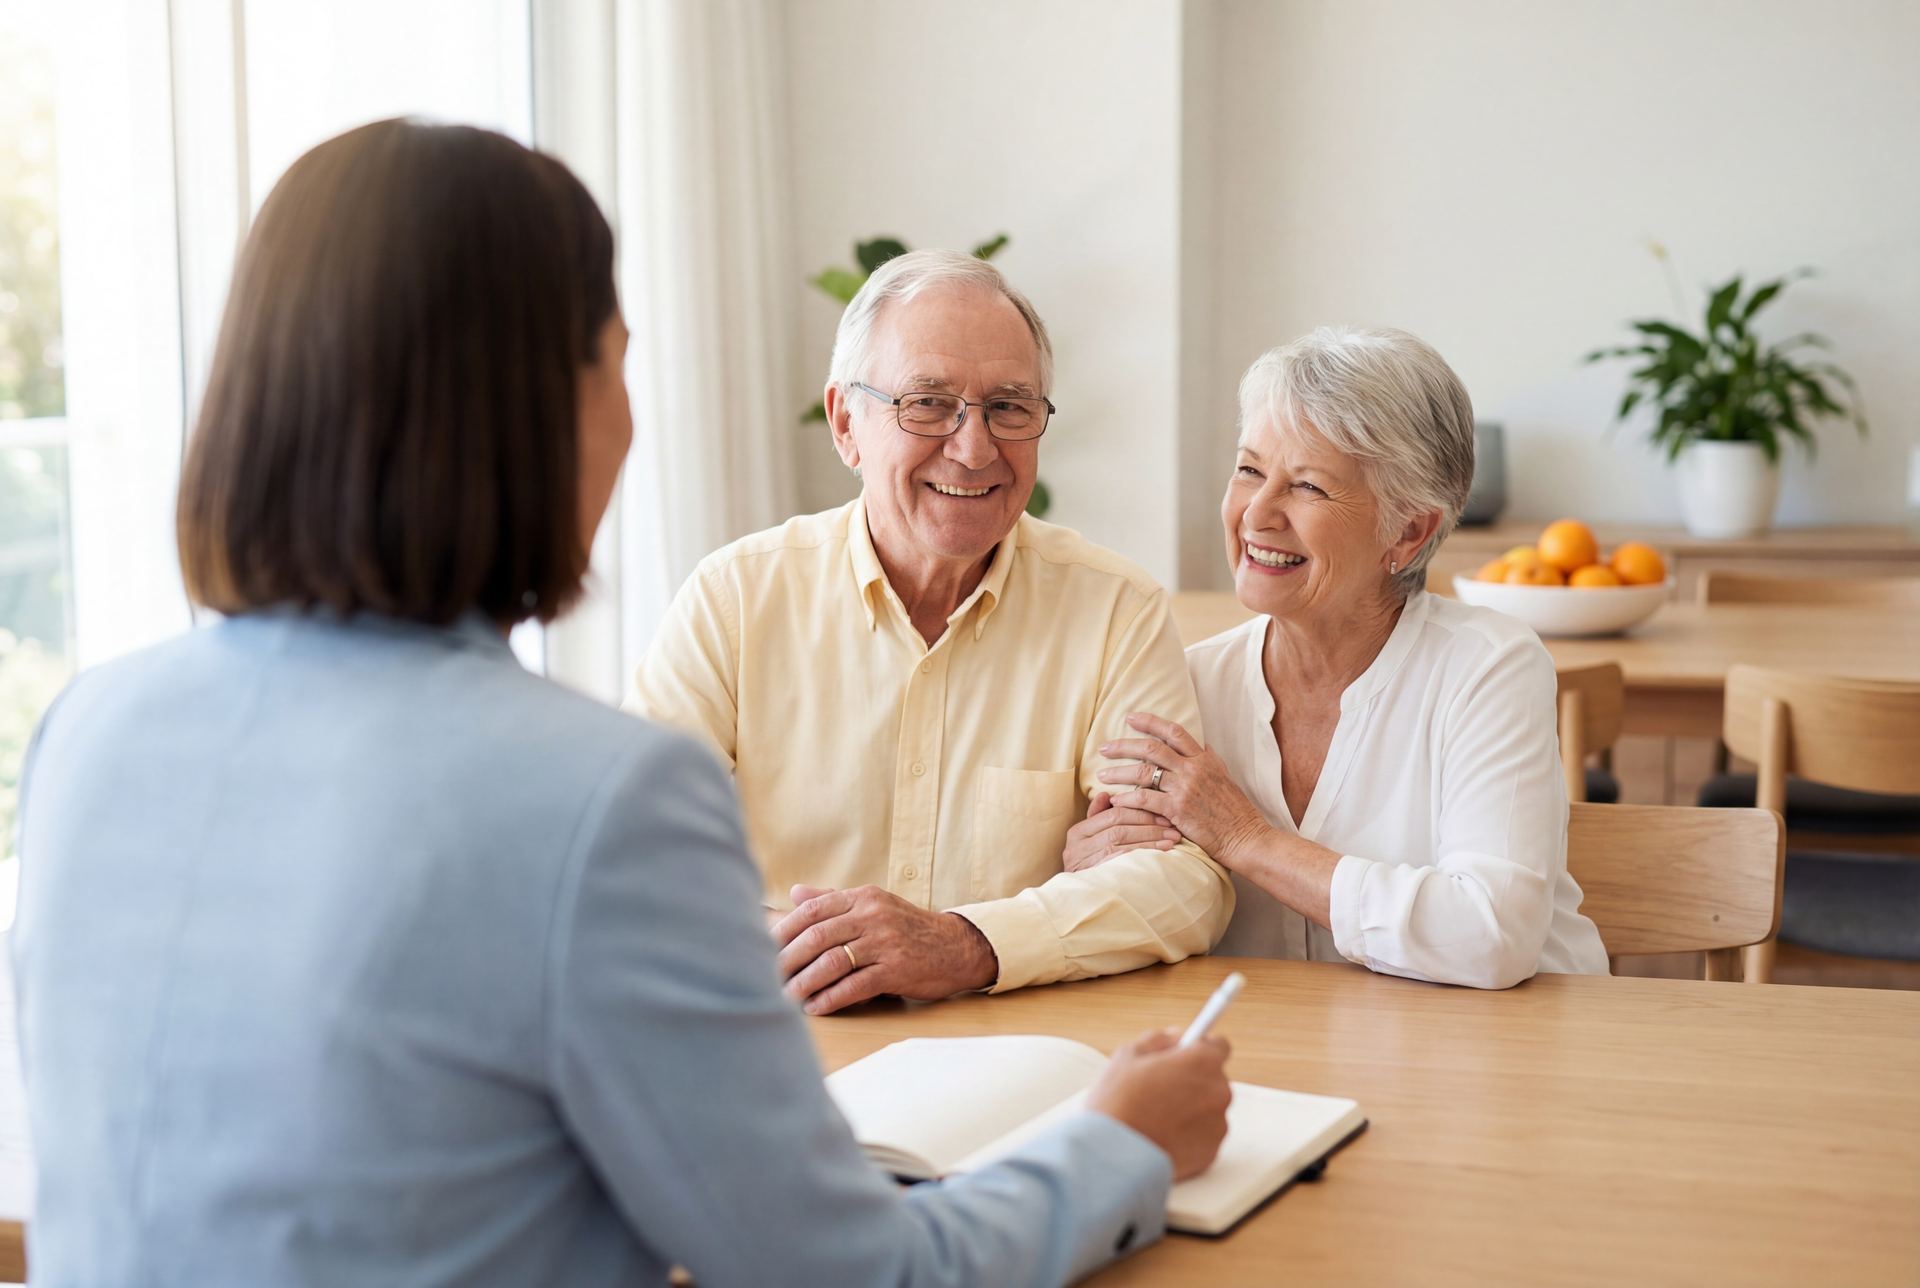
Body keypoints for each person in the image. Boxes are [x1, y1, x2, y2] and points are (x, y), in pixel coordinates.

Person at [10, 119, 1232, 1286]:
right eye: (617, 360)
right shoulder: (598, 795)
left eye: (1008, 406)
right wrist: (1117, 1137)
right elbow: (862, 1270)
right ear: (535, 413)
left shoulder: (88, 734)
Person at [630, 250, 1234, 1015]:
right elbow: (628, 851)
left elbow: (1185, 885)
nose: (973, 447)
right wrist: (813, 950)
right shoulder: (736, 598)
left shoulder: (1116, 610)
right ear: (847, 423)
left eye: (1009, 407)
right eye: (928, 403)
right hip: (786, 1034)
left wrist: (964, 944)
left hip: (1017, 1054)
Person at [1069, 327, 1608, 989]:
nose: (1256, 515)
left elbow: (1490, 935)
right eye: (1249, 470)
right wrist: (1093, 870)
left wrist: (1245, 838)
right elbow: (1141, 900)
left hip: (1506, 1058)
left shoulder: (1488, 667)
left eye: (1308, 488)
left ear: (1408, 533)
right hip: (1283, 1062)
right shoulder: (1189, 685)